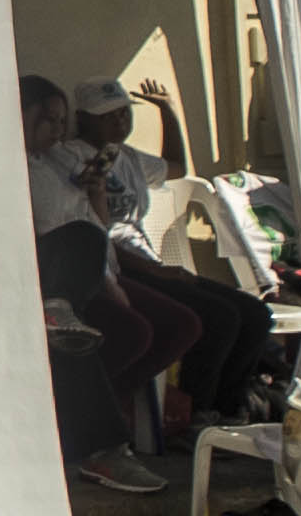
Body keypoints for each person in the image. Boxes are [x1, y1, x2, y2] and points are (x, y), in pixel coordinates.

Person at [39, 78, 283, 431]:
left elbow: (178, 167)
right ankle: (192, 415)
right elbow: (95, 233)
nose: (120, 123)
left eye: (124, 114)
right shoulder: (67, 158)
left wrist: (167, 110)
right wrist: (155, 272)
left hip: (149, 260)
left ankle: (230, 409)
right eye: (109, 117)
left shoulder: (129, 158)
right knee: (217, 317)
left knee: (254, 314)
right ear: (85, 119)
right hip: (119, 265)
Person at [24, 78, 160, 489]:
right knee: (72, 341)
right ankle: (105, 450)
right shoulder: (1, 163)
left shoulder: (61, 163)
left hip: (80, 275)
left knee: (113, 334)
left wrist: (97, 192)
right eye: (46, 120)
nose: (55, 130)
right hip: (32, 272)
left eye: (60, 122)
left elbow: (98, 225)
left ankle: (87, 434)